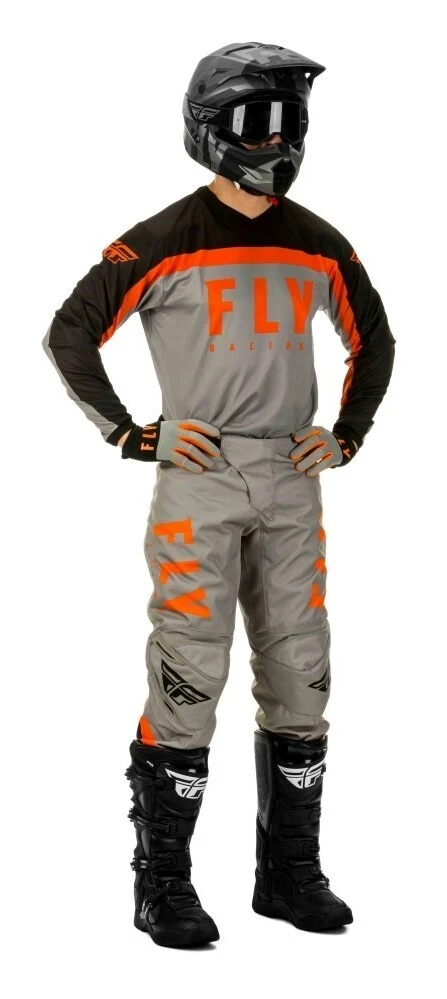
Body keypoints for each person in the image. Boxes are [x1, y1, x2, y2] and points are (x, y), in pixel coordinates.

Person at [42, 40, 396, 949]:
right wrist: (130, 432)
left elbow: (375, 337)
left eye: (287, 122)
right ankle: (163, 883)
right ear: (210, 130)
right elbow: (70, 331)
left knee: (300, 673)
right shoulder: (164, 238)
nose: (273, 142)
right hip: (198, 478)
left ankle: (289, 874)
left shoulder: (318, 241)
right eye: (254, 123)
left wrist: (347, 432)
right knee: (189, 673)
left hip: (291, 478)